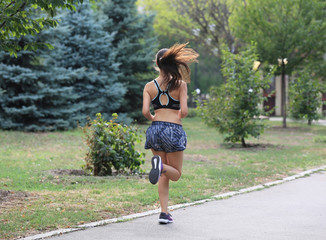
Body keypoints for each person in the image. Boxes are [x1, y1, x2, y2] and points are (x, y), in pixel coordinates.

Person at [142, 43, 199, 224]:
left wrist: (153, 116)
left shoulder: (149, 86)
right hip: (173, 130)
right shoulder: (180, 84)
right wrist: (177, 115)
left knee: (163, 174)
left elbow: (145, 112)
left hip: (155, 130)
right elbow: (184, 111)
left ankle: (164, 213)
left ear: (158, 65)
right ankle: (160, 167)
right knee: (175, 173)